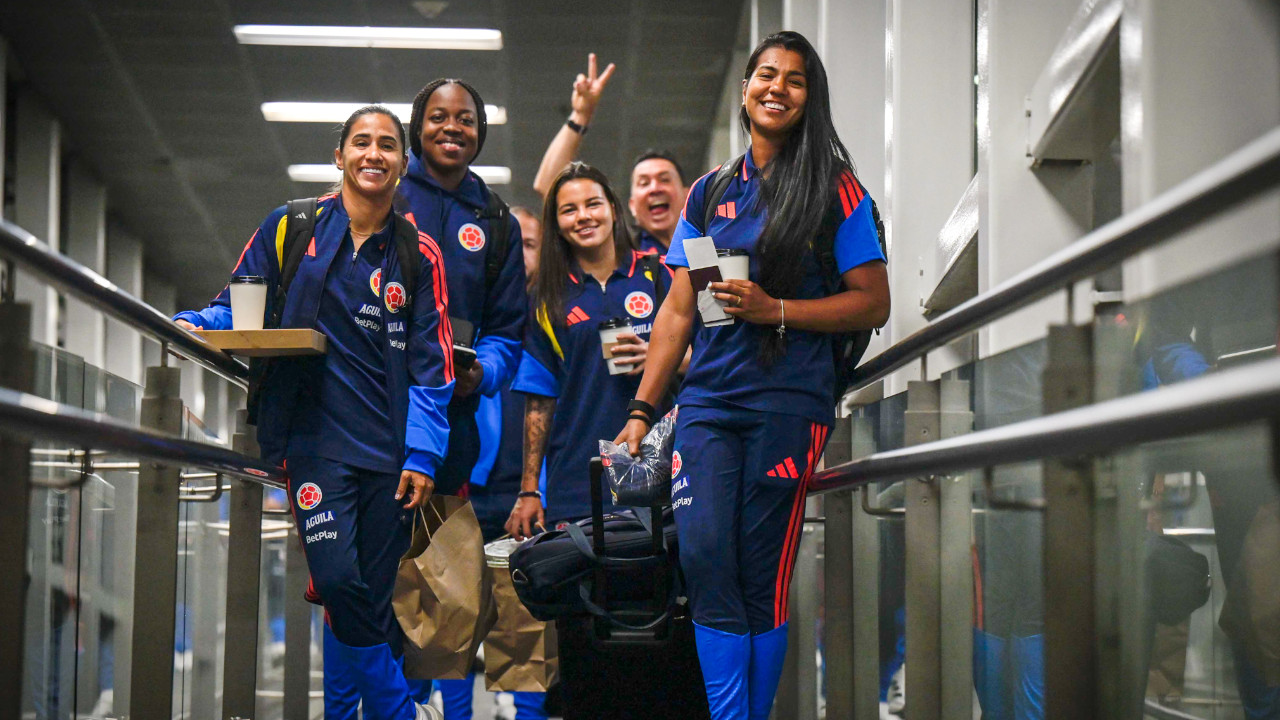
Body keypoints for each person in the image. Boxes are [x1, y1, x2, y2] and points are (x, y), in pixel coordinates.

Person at [613, 31, 891, 720]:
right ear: (745, 91)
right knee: (706, 557)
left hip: (789, 405)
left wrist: (778, 309)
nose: (777, 87)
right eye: (765, 74)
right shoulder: (709, 194)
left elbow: (874, 301)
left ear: (809, 98)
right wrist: (642, 413)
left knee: (760, 574)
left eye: (794, 79)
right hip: (707, 402)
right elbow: (680, 309)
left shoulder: (834, 189)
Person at [173, 106, 450, 720]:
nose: (373, 154)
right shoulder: (292, 226)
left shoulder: (417, 253)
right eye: (361, 143)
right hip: (314, 440)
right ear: (339, 156)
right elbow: (238, 302)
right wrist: (197, 321)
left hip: (388, 448)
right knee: (338, 579)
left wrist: (423, 451)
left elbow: (435, 366)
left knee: (376, 601)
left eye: (387, 145)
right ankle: (400, 710)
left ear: (403, 164)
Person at [507, 162, 672, 537]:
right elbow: (539, 401)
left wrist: (659, 358)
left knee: (658, 591)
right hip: (578, 479)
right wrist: (530, 489)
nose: (583, 216)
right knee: (585, 590)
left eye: (593, 204)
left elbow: (707, 358)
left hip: (660, 470)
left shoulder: (658, 275)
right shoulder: (547, 298)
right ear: (557, 224)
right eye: (569, 209)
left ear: (613, 209)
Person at [435, 206, 548, 720]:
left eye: (528, 243)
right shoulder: (462, 305)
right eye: (510, 243)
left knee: (522, 627)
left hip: (526, 492)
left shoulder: (554, 314)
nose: (516, 253)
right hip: (459, 480)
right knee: (447, 622)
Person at [531, 54, 689, 256]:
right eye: (643, 183)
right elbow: (547, 185)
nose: (654, 189)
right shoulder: (619, 250)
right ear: (631, 206)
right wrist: (580, 116)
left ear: (687, 195)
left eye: (664, 179)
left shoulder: (708, 244)